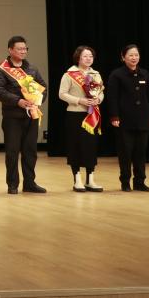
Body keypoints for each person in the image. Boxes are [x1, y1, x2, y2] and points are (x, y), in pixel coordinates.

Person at [0, 36, 47, 194]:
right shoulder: (1, 69)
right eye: (20, 49)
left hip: (31, 115)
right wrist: (18, 101)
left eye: (25, 49)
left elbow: (43, 87)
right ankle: (12, 184)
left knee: (30, 151)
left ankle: (29, 183)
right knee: (12, 151)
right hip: (12, 116)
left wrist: (37, 100)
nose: (23, 51)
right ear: (10, 50)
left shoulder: (32, 68)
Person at [104, 44, 149, 192]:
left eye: (136, 55)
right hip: (124, 119)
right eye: (131, 55)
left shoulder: (144, 73)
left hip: (143, 118)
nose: (134, 58)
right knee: (125, 152)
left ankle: (140, 181)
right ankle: (125, 181)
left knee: (141, 152)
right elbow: (112, 97)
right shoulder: (117, 74)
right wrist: (114, 116)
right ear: (123, 57)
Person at [58, 45, 105, 193]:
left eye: (91, 56)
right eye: (85, 56)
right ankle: (77, 179)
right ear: (78, 58)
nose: (88, 59)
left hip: (92, 115)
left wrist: (98, 99)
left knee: (91, 146)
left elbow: (101, 92)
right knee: (75, 146)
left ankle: (90, 179)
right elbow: (62, 94)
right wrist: (79, 100)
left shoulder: (96, 74)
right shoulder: (69, 74)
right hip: (75, 114)